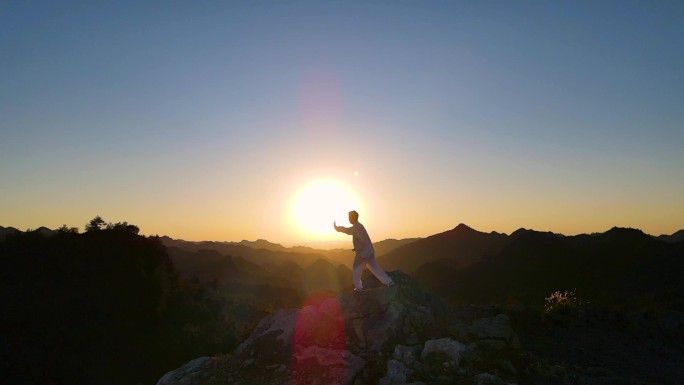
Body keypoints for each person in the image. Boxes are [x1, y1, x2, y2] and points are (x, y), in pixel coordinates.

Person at [334, 210, 394, 291]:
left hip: (363, 253)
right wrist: (357, 247)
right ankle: (389, 282)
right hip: (369, 250)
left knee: (356, 270)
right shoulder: (359, 226)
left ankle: (359, 288)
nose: (349, 219)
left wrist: (337, 228)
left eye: (349, 217)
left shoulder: (356, 227)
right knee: (375, 268)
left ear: (352, 218)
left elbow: (347, 231)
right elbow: (362, 238)